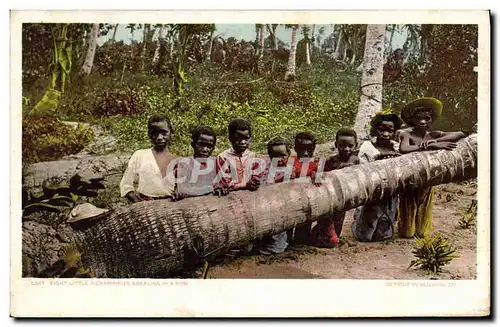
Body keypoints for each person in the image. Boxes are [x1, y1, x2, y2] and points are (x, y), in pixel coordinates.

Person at [397, 97, 468, 238]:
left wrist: (434, 141)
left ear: (431, 120)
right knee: (407, 231)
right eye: (419, 118)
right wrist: (428, 145)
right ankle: (405, 225)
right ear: (413, 120)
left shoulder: (433, 134)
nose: (422, 122)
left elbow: (460, 134)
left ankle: (421, 226)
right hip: (410, 177)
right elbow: (404, 149)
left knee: (422, 232)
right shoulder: (407, 134)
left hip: (428, 178)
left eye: (426, 118)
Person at [352, 110, 402, 242]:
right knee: (365, 235)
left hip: (390, 192)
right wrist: (379, 160)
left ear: (394, 131)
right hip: (373, 192)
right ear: (375, 130)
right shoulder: (368, 148)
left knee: (384, 234)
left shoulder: (396, 148)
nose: (386, 134)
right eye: (381, 130)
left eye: (390, 131)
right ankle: (360, 222)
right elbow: (361, 170)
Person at [309, 128, 360, 248]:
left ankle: (333, 236)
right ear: (336, 144)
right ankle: (318, 238)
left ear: (355, 145)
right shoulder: (330, 161)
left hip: (345, 196)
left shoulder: (355, 160)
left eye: (350, 146)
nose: (346, 149)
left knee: (339, 220)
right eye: (342, 145)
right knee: (326, 220)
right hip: (329, 197)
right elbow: (318, 173)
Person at [120, 114, 177, 203]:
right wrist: (137, 201)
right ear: (149, 134)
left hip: (171, 205)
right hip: (145, 205)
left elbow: (182, 187)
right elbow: (125, 185)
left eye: (164, 133)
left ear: (171, 132)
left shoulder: (176, 160)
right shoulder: (139, 155)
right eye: (155, 133)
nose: (159, 137)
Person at [253, 136, 294, 255]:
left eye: (282, 155)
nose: (279, 159)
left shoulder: (291, 170)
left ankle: (281, 243)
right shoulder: (266, 170)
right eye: (274, 156)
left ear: (289, 153)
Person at [213, 118, 265, 196]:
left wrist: (254, 183)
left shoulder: (254, 157)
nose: (243, 142)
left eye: (246, 138)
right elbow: (225, 184)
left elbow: (256, 180)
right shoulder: (223, 157)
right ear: (230, 138)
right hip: (231, 199)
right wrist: (246, 185)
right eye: (238, 138)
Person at [289, 132, 321, 245]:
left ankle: (300, 242)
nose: (306, 153)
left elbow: (317, 174)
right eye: (302, 150)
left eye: (309, 150)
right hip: (291, 198)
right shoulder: (291, 161)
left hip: (307, 200)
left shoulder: (314, 164)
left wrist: (315, 174)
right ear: (296, 148)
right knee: (288, 224)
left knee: (304, 224)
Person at [172, 125, 217, 201]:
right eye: (201, 145)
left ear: (213, 148)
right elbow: (183, 190)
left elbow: (225, 186)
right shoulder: (183, 164)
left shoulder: (217, 162)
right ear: (193, 145)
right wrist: (211, 188)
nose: (205, 149)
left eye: (209, 146)